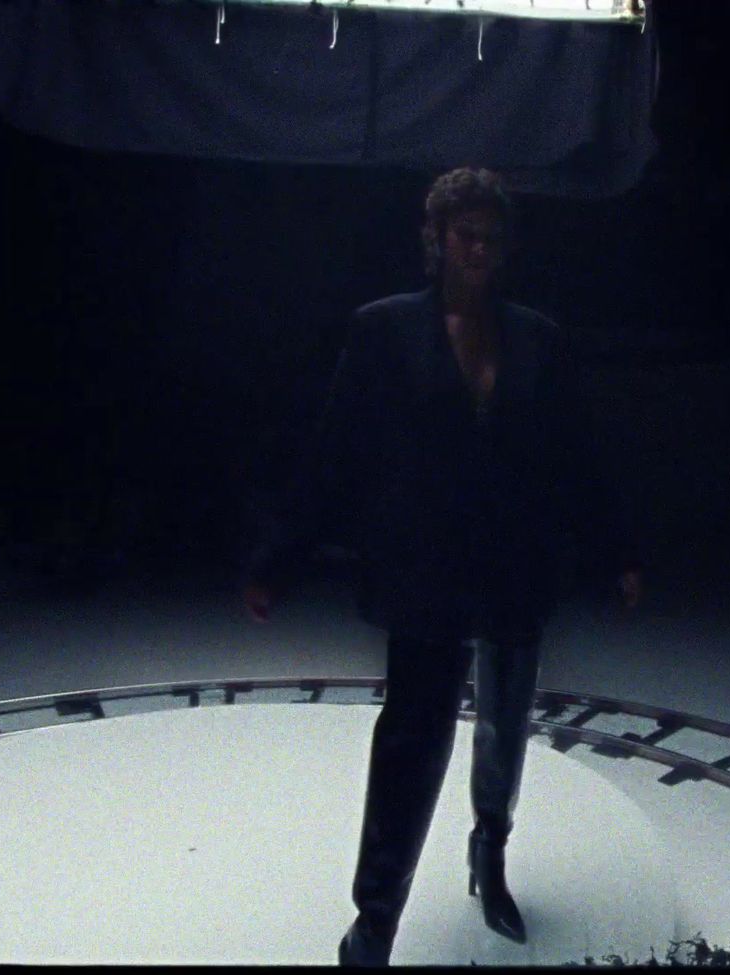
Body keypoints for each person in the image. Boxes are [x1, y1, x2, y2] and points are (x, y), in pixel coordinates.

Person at [239, 167, 647, 967]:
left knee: (503, 726)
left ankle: (488, 852)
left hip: (514, 564)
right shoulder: (383, 330)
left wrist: (617, 550)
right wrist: (278, 560)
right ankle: (374, 919)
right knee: (411, 742)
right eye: (466, 234)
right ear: (436, 239)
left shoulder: (538, 338)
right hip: (424, 568)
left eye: (492, 237)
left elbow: (577, 459)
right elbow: (335, 453)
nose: (480, 249)